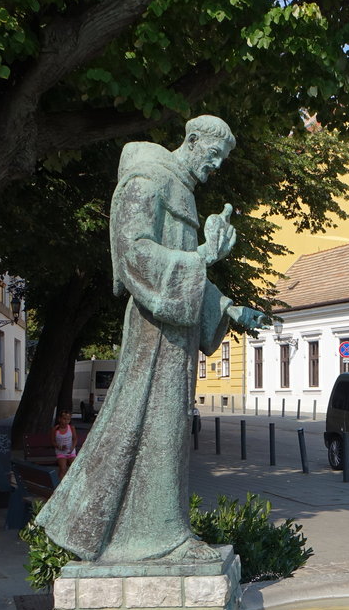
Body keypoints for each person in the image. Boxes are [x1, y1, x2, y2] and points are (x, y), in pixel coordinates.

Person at [37, 116, 267, 563]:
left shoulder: (181, 190)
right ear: (192, 141)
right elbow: (134, 255)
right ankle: (156, 539)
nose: (216, 166)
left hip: (174, 333)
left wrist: (229, 310)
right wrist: (203, 255)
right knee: (148, 425)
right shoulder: (147, 179)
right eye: (213, 155)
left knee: (164, 427)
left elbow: (186, 267)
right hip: (152, 330)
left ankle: (148, 532)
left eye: (223, 160)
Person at [52, 409, 77, 478]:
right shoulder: (55, 429)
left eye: (68, 419)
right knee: (63, 468)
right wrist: (59, 446)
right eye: (64, 419)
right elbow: (53, 441)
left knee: (74, 468)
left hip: (71, 452)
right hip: (61, 453)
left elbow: (75, 439)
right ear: (59, 419)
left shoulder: (71, 428)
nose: (66, 421)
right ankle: (60, 485)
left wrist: (72, 447)